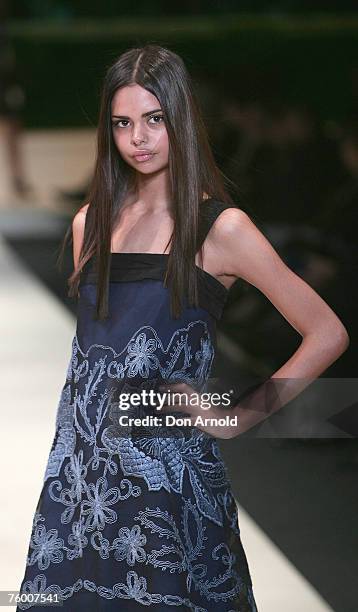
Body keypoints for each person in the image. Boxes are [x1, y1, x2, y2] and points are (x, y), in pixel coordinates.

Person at [16, 44, 349, 611]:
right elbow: (93, 358)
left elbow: (327, 331)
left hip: (165, 482)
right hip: (79, 473)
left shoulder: (221, 228)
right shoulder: (90, 221)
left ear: (183, 120)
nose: (138, 138)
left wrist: (240, 414)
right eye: (123, 123)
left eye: (155, 119)